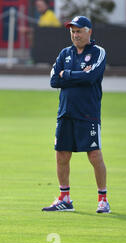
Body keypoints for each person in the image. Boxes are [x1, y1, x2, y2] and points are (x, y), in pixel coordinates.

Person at [43, 16, 110, 214]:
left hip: (88, 113)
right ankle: (64, 198)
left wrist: (68, 74)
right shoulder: (65, 53)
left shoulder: (98, 52)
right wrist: (75, 75)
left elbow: (91, 77)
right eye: (72, 31)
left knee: (94, 155)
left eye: (79, 31)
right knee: (61, 155)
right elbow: (54, 80)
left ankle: (103, 199)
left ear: (89, 31)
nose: (75, 34)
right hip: (65, 113)